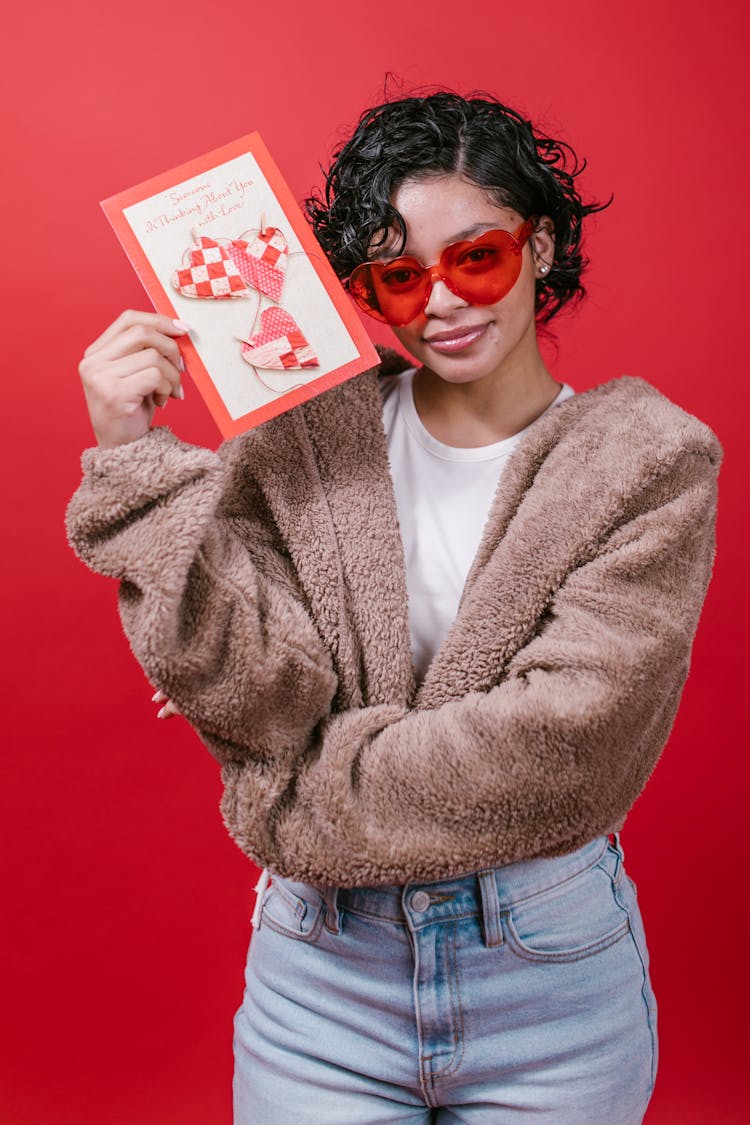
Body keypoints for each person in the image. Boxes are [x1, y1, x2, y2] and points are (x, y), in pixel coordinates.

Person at [66, 90, 721, 1123]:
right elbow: (250, 687)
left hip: (546, 976)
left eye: (478, 258)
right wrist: (131, 457)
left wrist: (284, 798)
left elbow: (560, 757)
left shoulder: (647, 460)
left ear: (541, 245)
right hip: (322, 985)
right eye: (401, 275)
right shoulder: (305, 433)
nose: (444, 304)